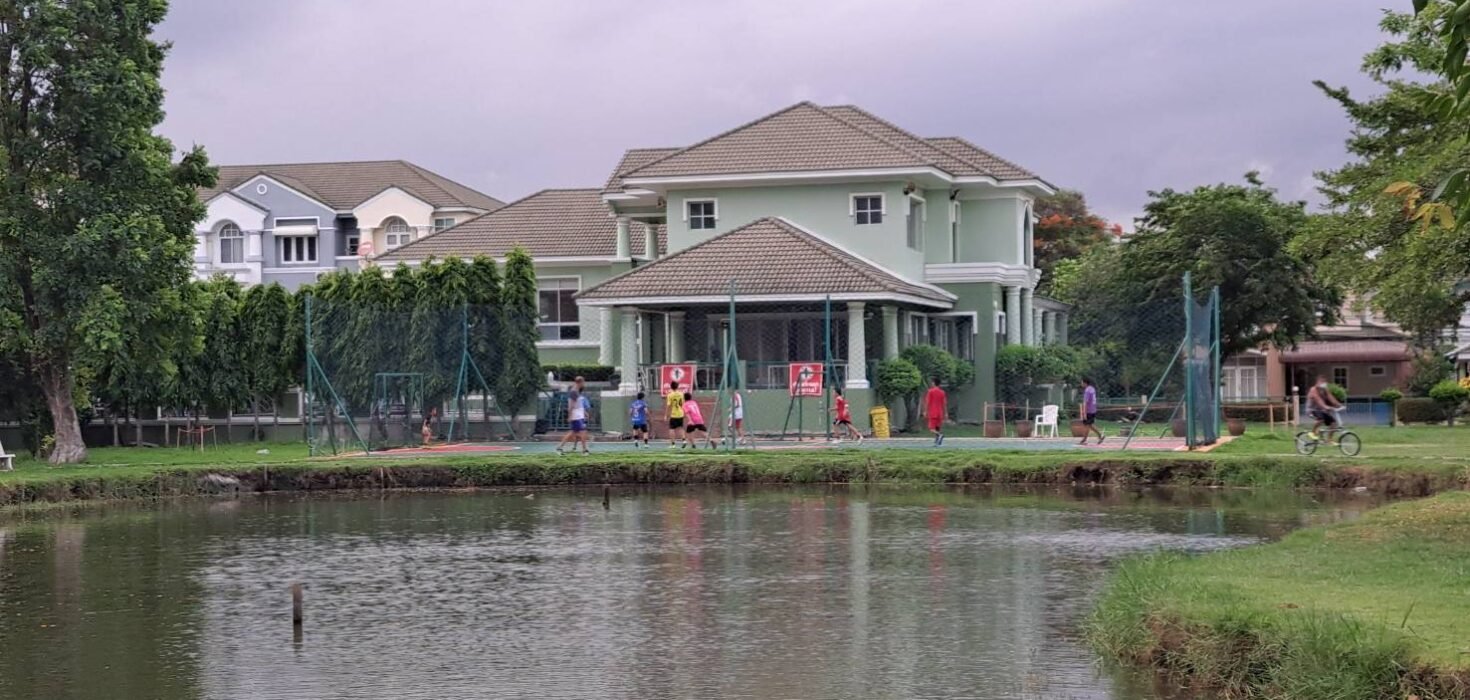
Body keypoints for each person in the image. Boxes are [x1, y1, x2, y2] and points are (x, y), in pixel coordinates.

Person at [556, 377, 591, 455]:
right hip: (576, 415)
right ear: (580, 382)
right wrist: (570, 416)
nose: (584, 384)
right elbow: (571, 405)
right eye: (583, 382)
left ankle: (560, 448)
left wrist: (584, 412)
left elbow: (578, 404)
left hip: (579, 414)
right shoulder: (574, 392)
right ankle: (584, 450)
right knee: (582, 432)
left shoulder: (576, 391)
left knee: (573, 432)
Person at [1305, 374, 1343, 441]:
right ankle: (1312, 432)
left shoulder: (1324, 389)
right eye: (1322, 382)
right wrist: (1326, 407)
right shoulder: (1313, 390)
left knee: (1333, 423)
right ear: (1317, 382)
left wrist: (1339, 405)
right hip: (1311, 410)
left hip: (1321, 410)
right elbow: (1318, 400)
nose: (1324, 383)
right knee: (1321, 419)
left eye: (1324, 382)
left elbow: (1331, 398)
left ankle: (1329, 440)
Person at [1079, 377, 1103, 445]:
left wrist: (1084, 412)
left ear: (1085, 383)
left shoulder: (1087, 391)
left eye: (1082, 382)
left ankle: (1099, 435)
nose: (1081, 384)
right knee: (1088, 425)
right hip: (1093, 409)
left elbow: (1085, 402)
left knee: (1088, 424)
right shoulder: (1092, 389)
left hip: (1088, 410)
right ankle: (1085, 439)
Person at [923, 377, 947, 446]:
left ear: (934, 383)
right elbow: (944, 403)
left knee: (931, 428)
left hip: (933, 412)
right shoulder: (942, 392)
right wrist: (946, 413)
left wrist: (925, 411)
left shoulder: (930, 391)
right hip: (940, 412)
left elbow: (927, 402)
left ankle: (940, 435)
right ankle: (937, 442)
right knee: (937, 427)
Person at [665, 380, 686, 448]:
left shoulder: (670, 395)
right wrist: (684, 412)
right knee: (681, 428)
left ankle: (673, 444)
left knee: (671, 429)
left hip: (674, 414)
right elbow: (683, 404)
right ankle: (684, 440)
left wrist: (666, 415)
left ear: (671, 387)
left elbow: (668, 405)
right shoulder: (681, 394)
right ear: (677, 386)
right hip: (681, 413)